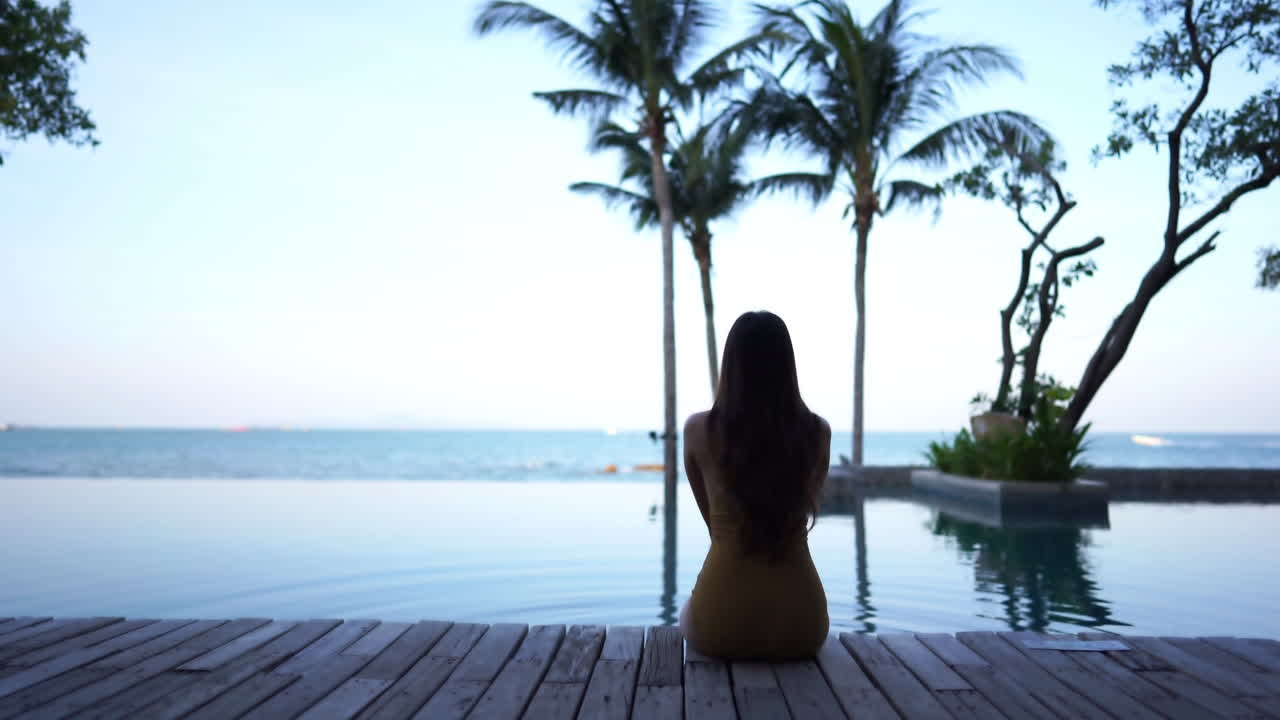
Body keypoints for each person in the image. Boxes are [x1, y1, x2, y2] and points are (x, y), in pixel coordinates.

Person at [680, 311, 831, 660]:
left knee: (685, 612)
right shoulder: (818, 433)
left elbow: (714, 528)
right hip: (802, 627)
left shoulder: (697, 431)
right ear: (787, 367)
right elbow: (805, 502)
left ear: (730, 365)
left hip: (719, 625)